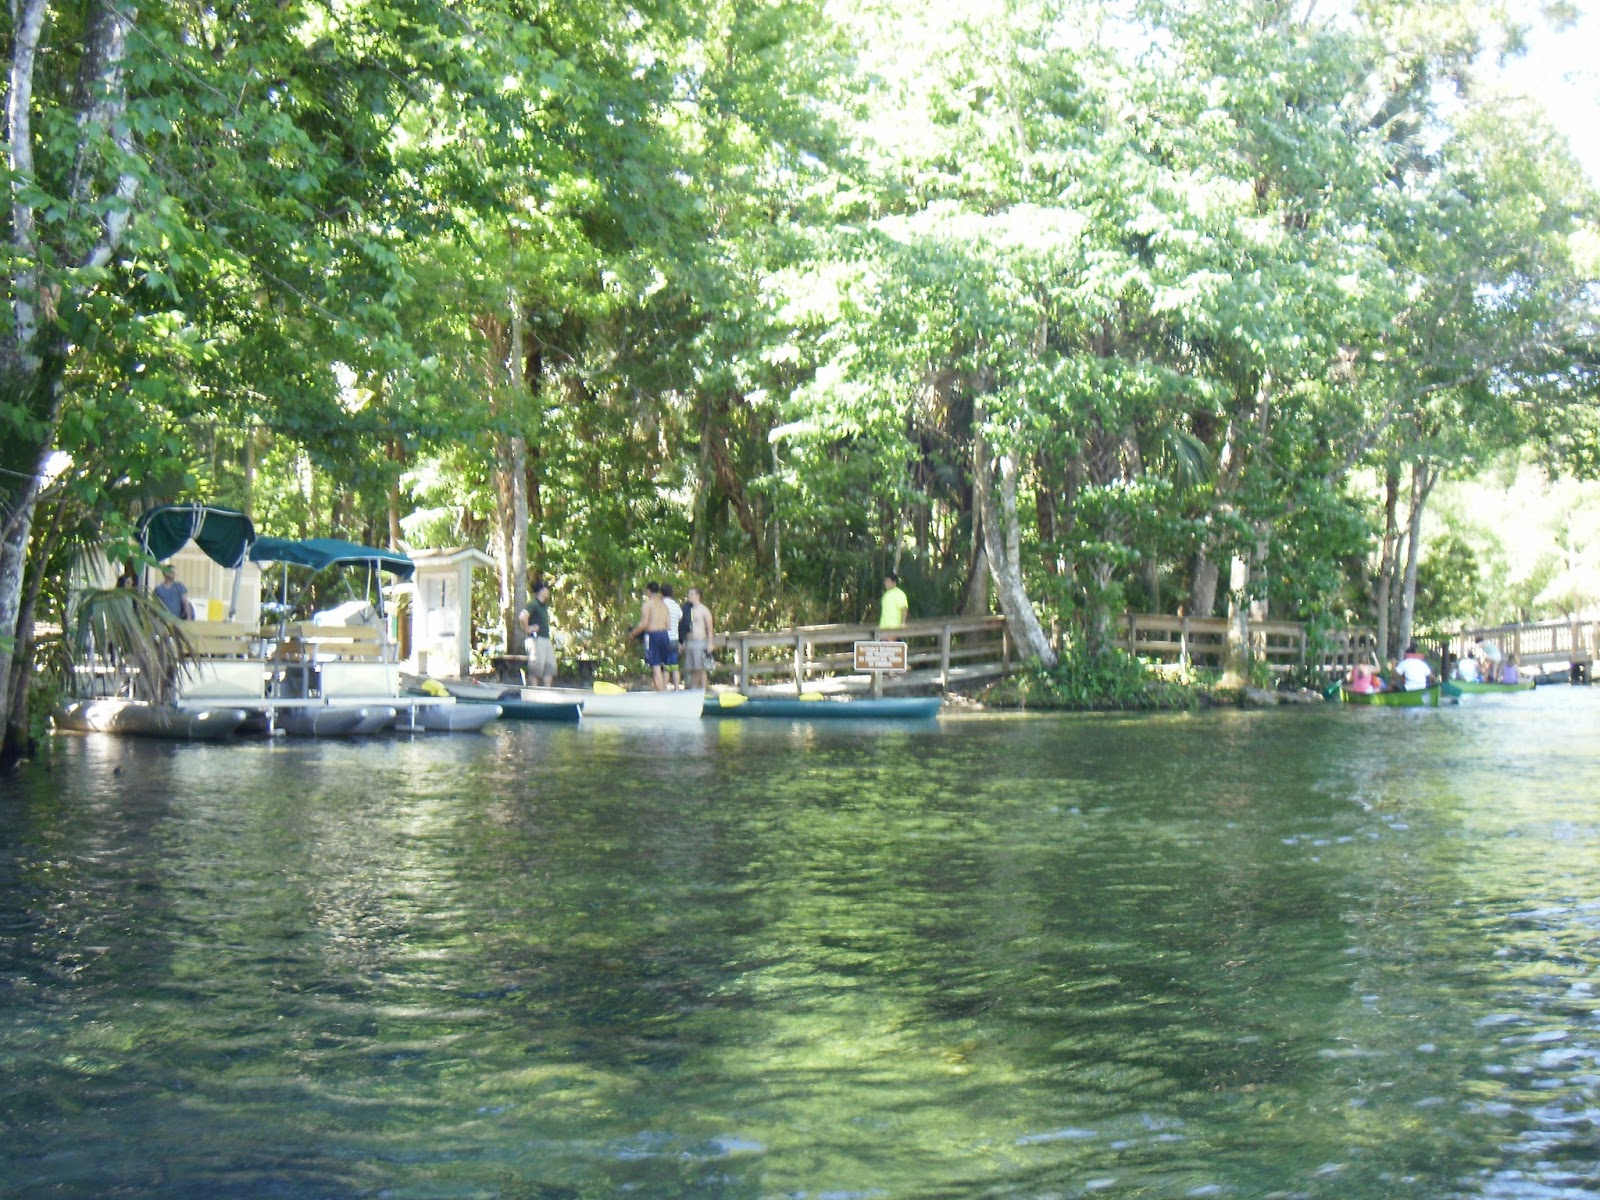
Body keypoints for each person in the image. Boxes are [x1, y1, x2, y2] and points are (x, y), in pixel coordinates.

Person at [627, 581, 672, 691]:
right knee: (665, 666)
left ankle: (660, 694)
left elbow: (644, 624)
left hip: (653, 635)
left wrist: (633, 634)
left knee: (656, 666)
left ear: (648, 591)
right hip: (665, 635)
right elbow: (669, 624)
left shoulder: (647, 605)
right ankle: (664, 691)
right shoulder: (664, 605)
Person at [520, 580, 557, 687]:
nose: (548, 591)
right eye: (546, 589)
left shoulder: (543, 606)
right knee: (536, 669)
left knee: (549, 668)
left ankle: (547, 692)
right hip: (536, 641)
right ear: (541, 591)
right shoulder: (534, 604)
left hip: (545, 639)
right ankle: (534, 692)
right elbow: (523, 616)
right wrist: (528, 629)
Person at [680, 586, 714, 691]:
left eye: (691, 594)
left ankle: (703, 689)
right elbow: (684, 627)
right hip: (690, 642)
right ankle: (694, 689)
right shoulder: (687, 610)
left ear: (697, 596)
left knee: (701, 668)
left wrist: (710, 643)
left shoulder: (704, 610)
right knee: (692, 668)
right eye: (688, 594)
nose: (689, 596)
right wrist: (684, 642)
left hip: (700, 642)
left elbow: (709, 627)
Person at [660, 583, 683, 691]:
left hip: (664, 638)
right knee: (674, 666)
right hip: (674, 638)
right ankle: (677, 688)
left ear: (661, 593)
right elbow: (680, 617)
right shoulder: (676, 606)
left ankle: (664, 688)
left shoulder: (661, 605)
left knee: (665, 667)